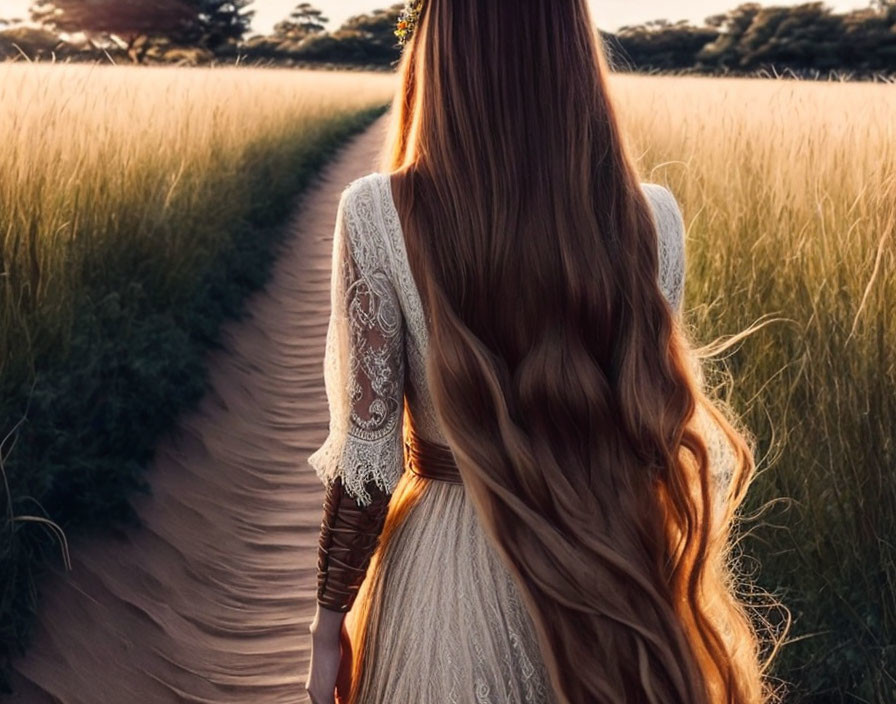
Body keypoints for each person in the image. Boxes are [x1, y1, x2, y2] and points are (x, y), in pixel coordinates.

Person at [304, 1, 779, 702]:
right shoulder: (652, 220)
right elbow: (648, 447)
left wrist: (327, 626)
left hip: (442, 585)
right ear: (572, 51)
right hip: (603, 581)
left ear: (441, 48)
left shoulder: (378, 213)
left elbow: (367, 463)